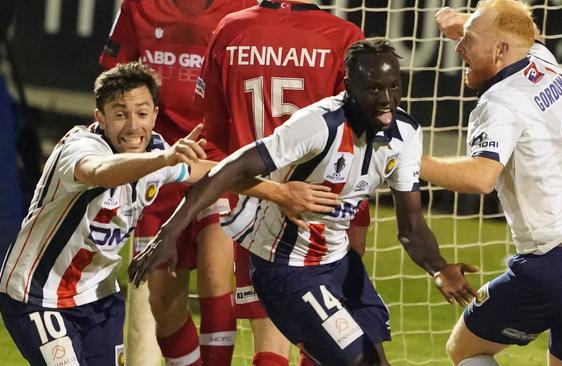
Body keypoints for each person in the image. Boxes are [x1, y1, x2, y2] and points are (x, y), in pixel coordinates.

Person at [130, 39, 478, 366]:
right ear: (348, 86)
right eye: (374, 89)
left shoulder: (406, 134)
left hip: (338, 264)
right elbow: (224, 171)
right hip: (285, 269)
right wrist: (169, 233)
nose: (386, 99)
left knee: (374, 360)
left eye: (393, 87)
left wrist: (439, 267)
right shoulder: (318, 125)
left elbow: (412, 226)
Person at [0, 62, 337, 366]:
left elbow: (210, 172)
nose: (133, 126)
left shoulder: (158, 151)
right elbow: (101, 171)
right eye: (120, 114)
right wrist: (164, 161)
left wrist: (278, 192)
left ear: (155, 113)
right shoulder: (81, 148)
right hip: (38, 296)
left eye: (142, 113)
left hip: (98, 297)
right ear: (99, 117)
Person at [422, 2, 562, 365]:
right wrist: (465, 24)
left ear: (500, 51)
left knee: (464, 350)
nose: (461, 48)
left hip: (551, 268)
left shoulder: (498, 104)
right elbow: (525, 34)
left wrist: (413, 162)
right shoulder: (543, 61)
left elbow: (481, 177)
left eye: (469, 41)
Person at [194, 1, 367, 364]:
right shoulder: (343, 37)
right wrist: (358, 218)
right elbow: (360, 139)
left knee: (269, 344)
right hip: (324, 205)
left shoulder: (231, 29)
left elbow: (214, 135)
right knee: (327, 336)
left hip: (256, 207)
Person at [98, 1, 256, 364]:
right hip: (159, 165)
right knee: (162, 299)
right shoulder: (139, 6)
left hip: (215, 159)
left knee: (217, 279)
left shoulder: (242, 7)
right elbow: (116, 80)